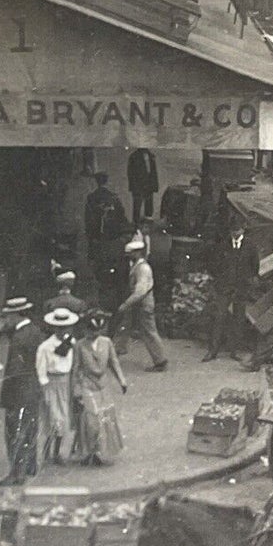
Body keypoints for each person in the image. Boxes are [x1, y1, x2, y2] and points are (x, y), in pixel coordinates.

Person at [0, 297, 41, 486]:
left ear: (16, 315)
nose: (6, 319)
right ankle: (30, 466)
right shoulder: (35, 331)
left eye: (8, 316)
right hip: (33, 386)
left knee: (15, 431)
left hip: (19, 389)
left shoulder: (18, 338)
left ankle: (16, 473)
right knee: (30, 428)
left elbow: (14, 369)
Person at [74, 309, 128, 467]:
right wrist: (76, 389)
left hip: (103, 385)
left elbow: (114, 362)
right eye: (91, 331)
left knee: (105, 419)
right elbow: (76, 368)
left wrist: (122, 380)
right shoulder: (79, 345)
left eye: (97, 331)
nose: (94, 335)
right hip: (87, 385)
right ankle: (90, 452)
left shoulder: (106, 342)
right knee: (91, 421)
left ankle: (99, 452)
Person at [204, 223, 257, 364]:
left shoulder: (250, 246)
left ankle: (235, 351)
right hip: (225, 288)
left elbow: (254, 267)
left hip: (241, 289)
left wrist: (246, 282)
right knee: (219, 317)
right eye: (232, 231)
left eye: (237, 230)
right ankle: (213, 351)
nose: (235, 233)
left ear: (242, 230)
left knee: (238, 319)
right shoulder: (223, 245)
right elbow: (215, 264)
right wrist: (221, 280)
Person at [118, 235, 169, 371]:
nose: (129, 256)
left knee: (149, 331)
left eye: (131, 253)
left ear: (138, 252)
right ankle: (117, 350)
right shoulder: (137, 266)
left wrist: (126, 304)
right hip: (140, 303)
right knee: (130, 327)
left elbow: (140, 291)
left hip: (144, 303)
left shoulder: (143, 268)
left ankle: (160, 360)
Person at [36, 307, 79, 465]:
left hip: (65, 382)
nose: (62, 331)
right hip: (51, 383)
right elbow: (41, 370)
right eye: (59, 328)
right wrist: (44, 387)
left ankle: (57, 452)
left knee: (63, 418)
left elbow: (73, 362)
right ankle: (47, 452)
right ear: (54, 328)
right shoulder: (46, 347)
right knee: (52, 418)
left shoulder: (71, 343)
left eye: (65, 328)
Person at [84, 171, 129, 303]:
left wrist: (91, 235)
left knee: (98, 262)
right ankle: (112, 288)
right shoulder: (114, 197)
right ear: (106, 181)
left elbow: (88, 219)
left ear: (97, 182)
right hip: (112, 236)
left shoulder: (91, 198)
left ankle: (102, 287)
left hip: (97, 236)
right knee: (111, 260)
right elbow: (122, 217)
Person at [127, 148, 159, 225]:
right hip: (138, 187)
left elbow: (154, 173)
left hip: (149, 186)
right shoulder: (134, 156)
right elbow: (130, 174)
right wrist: (134, 187)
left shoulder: (151, 156)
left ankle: (148, 225)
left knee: (149, 207)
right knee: (137, 207)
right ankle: (136, 227)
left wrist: (154, 186)